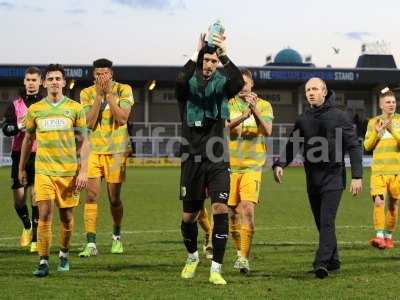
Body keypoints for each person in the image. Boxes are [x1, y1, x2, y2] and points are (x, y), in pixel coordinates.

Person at [272, 77, 363, 279]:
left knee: (327, 220)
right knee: (322, 223)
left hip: (334, 177)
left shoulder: (340, 117)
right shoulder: (303, 119)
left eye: (315, 89)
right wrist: (279, 164)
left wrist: (357, 176)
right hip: (312, 179)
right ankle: (334, 260)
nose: (311, 93)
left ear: (324, 91)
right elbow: (292, 145)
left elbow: (354, 146)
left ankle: (320, 263)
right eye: (308, 90)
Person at [175, 31, 244, 285]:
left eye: (214, 62)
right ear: (200, 61)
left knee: (219, 209)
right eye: (206, 60)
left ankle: (216, 268)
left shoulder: (222, 87)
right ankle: (192, 256)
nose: (209, 65)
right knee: (189, 217)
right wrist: (196, 52)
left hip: (217, 159)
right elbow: (180, 79)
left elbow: (237, 82)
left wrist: (223, 54)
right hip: (191, 159)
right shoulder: (187, 89)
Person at [19, 64, 89, 277]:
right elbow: (28, 139)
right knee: (45, 215)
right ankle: (43, 261)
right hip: (43, 171)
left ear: (64, 82)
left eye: (58, 78)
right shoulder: (35, 110)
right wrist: (22, 167)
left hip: (68, 172)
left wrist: (83, 170)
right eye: (50, 79)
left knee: (67, 218)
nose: (54, 82)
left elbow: (85, 141)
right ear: (44, 82)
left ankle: (64, 253)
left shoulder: (75, 108)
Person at [79, 58, 134, 257]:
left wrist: (108, 94)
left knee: (114, 199)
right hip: (93, 151)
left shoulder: (124, 90)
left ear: (111, 74)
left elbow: (122, 119)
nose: (101, 77)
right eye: (98, 74)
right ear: (93, 75)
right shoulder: (86, 93)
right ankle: (91, 243)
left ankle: (116, 237)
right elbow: (89, 123)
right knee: (91, 195)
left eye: (105, 73)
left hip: (117, 152)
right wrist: (98, 97)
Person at [228, 69, 273, 274]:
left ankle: (245, 258)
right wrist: (243, 116)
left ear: (251, 84)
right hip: (229, 167)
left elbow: (267, 130)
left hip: (252, 166)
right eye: (238, 83)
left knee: (247, 209)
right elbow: (225, 128)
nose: (242, 87)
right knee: (231, 215)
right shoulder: (228, 104)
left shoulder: (264, 105)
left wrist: (254, 111)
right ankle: (239, 252)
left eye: (245, 83)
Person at [2, 67, 42, 252]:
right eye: (29, 80)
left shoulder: (45, 104)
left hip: (40, 155)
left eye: (35, 80)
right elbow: (6, 129)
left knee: (36, 197)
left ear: (40, 82)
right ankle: (27, 225)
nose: (31, 83)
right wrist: (19, 125)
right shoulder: (15, 105)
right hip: (19, 155)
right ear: (24, 82)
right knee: (19, 199)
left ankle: (35, 239)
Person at [364, 88, 400, 249]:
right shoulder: (373, 122)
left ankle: (388, 236)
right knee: (378, 202)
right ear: (380, 105)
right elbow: (367, 145)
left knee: (393, 205)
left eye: (393, 102)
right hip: (378, 171)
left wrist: (392, 130)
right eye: (388, 102)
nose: (391, 104)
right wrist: (377, 134)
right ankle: (379, 236)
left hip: (396, 172)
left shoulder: (399, 121)